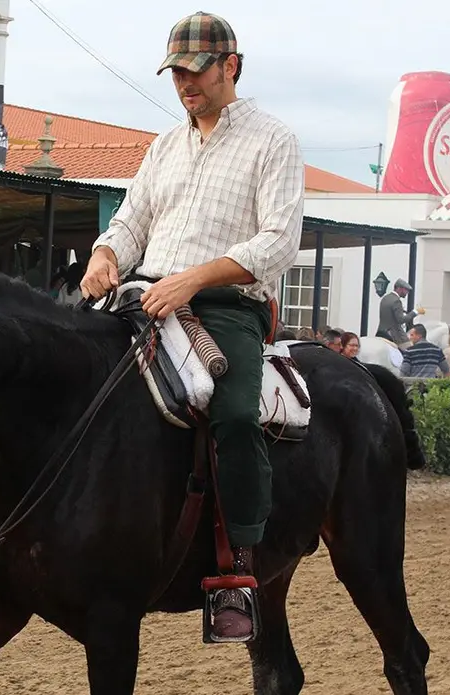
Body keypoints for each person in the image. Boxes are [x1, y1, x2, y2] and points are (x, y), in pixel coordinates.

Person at [80, 11, 303, 643]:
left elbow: (278, 241)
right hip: (145, 296)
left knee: (233, 412)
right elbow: (131, 222)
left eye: (196, 71)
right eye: (177, 72)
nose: (184, 84)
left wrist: (193, 280)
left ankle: (240, 568)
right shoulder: (164, 146)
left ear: (232, 67)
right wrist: (104, 256)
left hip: (227, 306)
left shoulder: (273, 140)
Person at [376, 278, 422, 347]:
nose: (407, 293)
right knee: (409, 349)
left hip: (381, 332)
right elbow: (401, 320)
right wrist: (415, 312)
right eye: (406, 290)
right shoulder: (396, 301)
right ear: (400, 289)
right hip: (394, 334)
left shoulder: (385, 298)